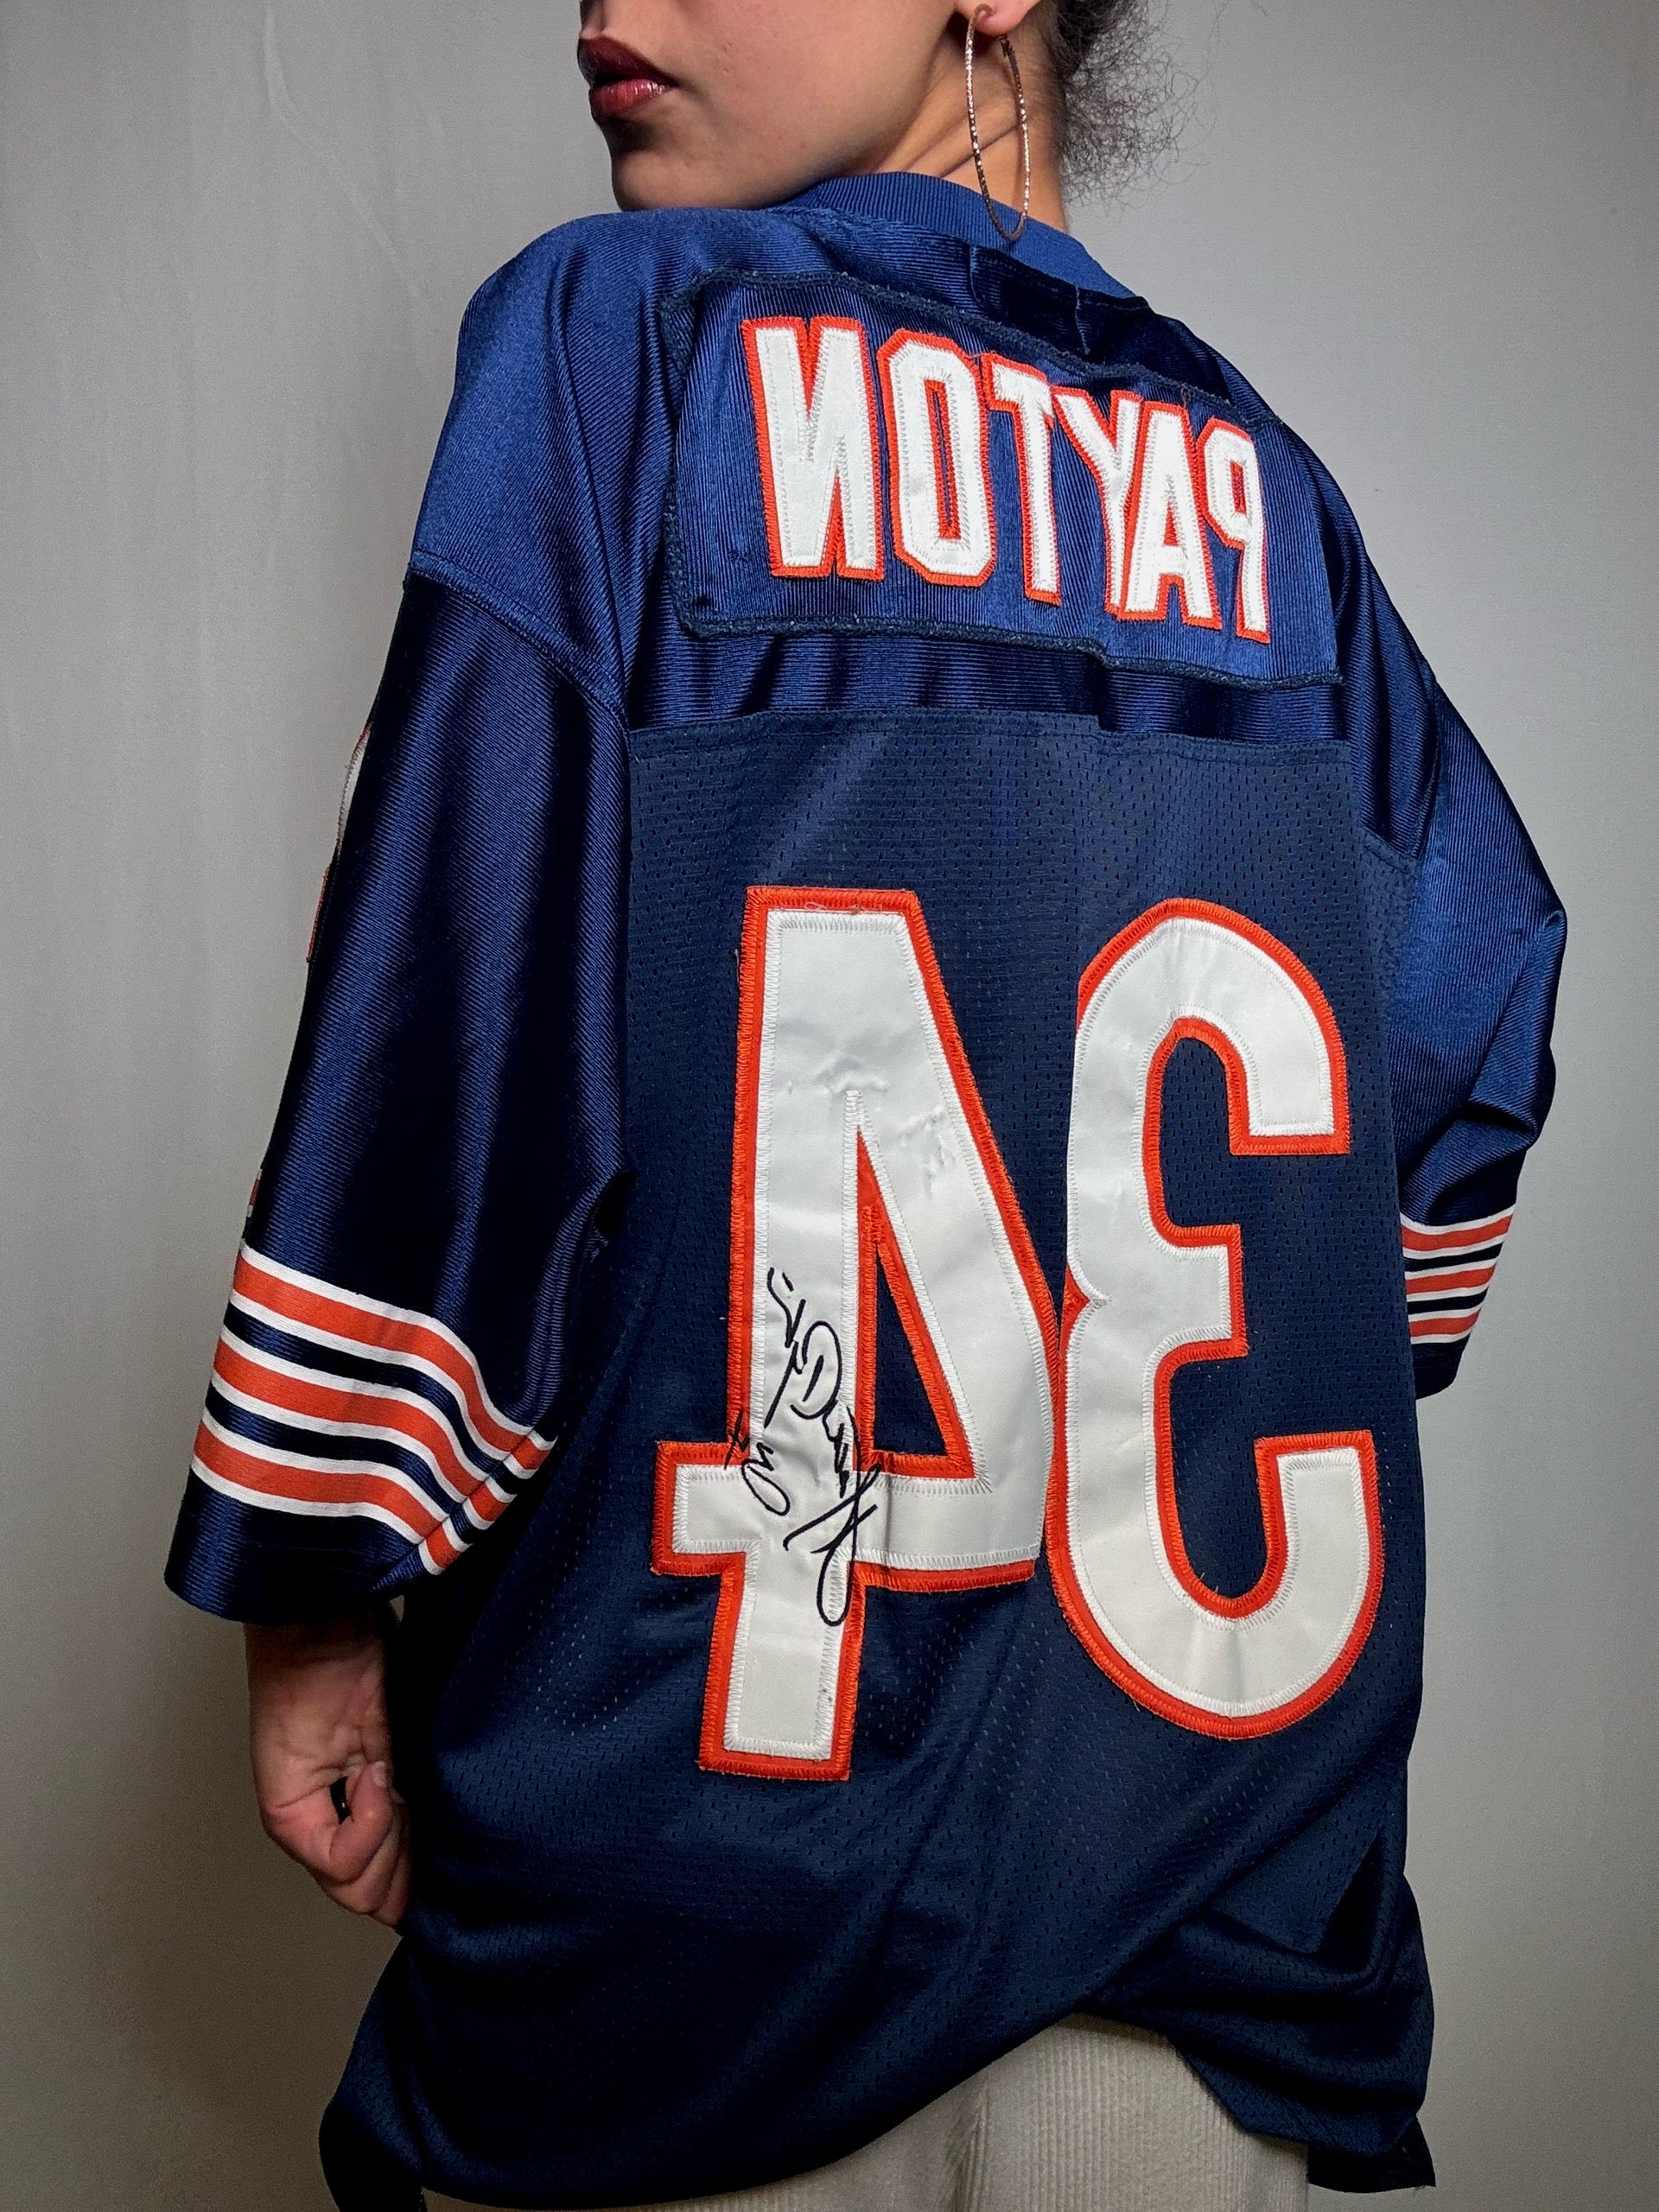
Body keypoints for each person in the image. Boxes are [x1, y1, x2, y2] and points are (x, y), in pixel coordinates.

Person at [165, 3, 1566, 2209]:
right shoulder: (1278, 501)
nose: (602, 3)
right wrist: (1188, 1395)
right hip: (1218, 1961)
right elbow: (1477, 1012)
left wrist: (319, 1582)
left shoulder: (619, 340)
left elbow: (457, 1006)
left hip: (693, 1948)